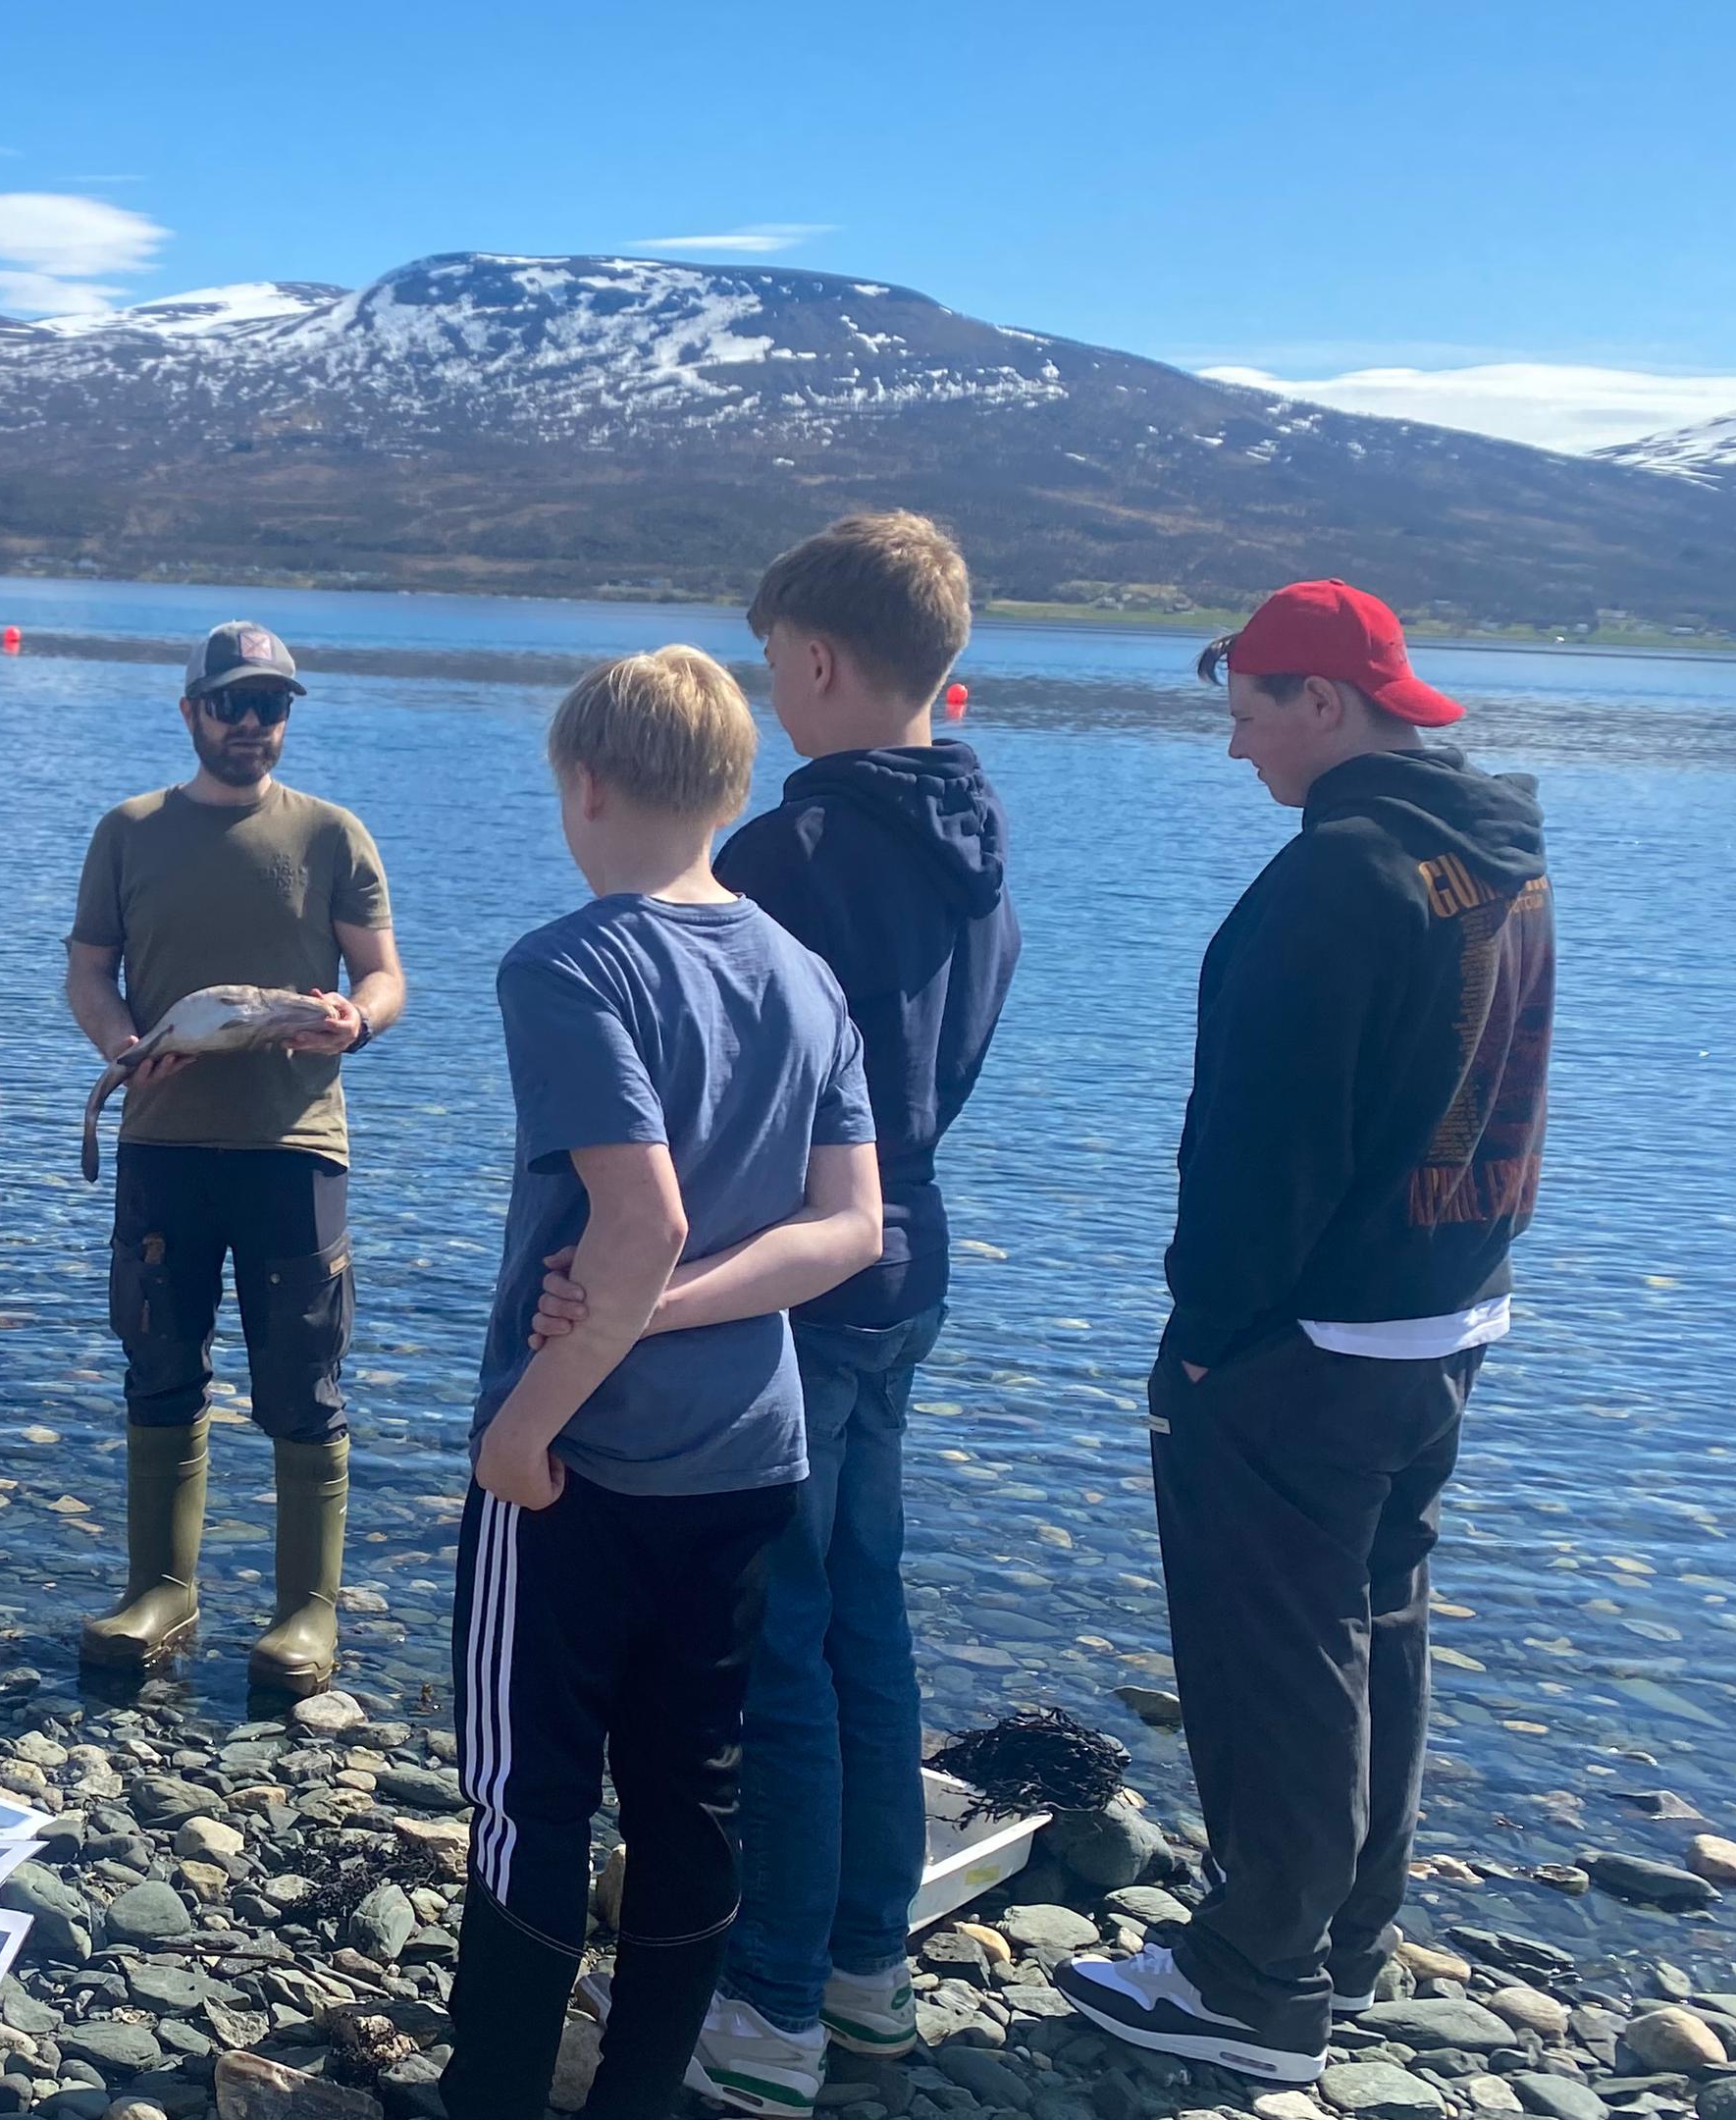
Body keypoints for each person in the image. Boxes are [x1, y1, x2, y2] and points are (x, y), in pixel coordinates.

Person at [1061, 582, 1552, 2083]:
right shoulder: (1502, 854)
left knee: (1272, 1649)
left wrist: (1207, 1333)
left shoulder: (1339, 876)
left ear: (1324, 704)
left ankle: (1257, 1979)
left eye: (1251, 714)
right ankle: (1344, 1935)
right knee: (1372, 1626)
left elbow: (1263, 1144)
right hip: (1446, 1313)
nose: (1238, 751)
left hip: (1311, 1338)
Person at [447, 647, 885, 2120]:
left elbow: (641, 1227)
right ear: (733, 789)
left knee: (530, 1799)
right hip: (751, 1453)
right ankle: (636, 2098)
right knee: (693, 1790)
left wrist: (527, 1419)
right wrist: (671, 1313)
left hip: (587, 1456)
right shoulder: (805, 973)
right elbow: (850, 1235)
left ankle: (495, 2099)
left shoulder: (571, 964)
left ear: (584, 785)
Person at [688, 513, 1020, 2113]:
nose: (772, 707)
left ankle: (769, 2013)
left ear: (818, 661)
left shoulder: (783, 860)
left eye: (773, 673)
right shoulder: (979, 843)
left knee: (785, 1643)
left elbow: (721, 1109)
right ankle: (866, 1972)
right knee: (868, 1610)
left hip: (799, 1277)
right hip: (912, 1262)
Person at [68, 619, 403, 1695]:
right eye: (234, 704)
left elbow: (385, 976)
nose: (254, 724)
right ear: (191, 712)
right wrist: (122, 1047)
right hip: (163, 1140)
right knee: (160, 1361)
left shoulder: (333, 836)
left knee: (303, 1377)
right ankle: (160, 1591)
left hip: (294, 1145)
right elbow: (87, 970)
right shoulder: (128, 830)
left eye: (273, 707)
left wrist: (357, 1021)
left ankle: (307, 1613)